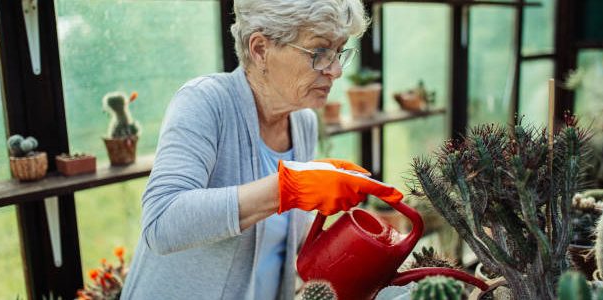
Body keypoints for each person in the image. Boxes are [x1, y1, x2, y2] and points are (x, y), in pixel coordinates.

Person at [120, 0, 403, 299]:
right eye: (320, 52)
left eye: (339, 52)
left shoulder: (302, 121)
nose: (335, 70)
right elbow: (161, 222)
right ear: (260, 49)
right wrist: (286, 188)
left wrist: (363, 250)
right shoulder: (205, 102)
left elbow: (278, 238)